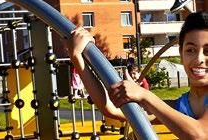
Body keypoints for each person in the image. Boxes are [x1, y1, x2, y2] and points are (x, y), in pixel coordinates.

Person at [68, 12, 208, 139]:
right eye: (191, 50)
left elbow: (199, 134)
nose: (199, 59)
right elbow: (112, 108)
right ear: (181, 54)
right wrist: (76, 57)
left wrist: (144, 95)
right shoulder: (181, 106)